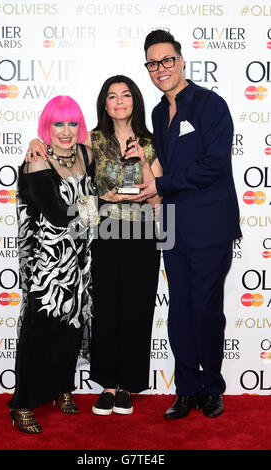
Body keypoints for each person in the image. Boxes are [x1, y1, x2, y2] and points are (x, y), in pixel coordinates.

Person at [25, 75, 163, 416]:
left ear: (135, 101)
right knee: (104, 311)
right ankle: (108, 386)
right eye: (112, 96)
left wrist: (143, 163)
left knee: (137, 310)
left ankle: (128, 385)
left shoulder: (150, 141)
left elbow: (158, 198)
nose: (119, 101)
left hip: (141, 235)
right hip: (101, 235)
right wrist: (35, 141)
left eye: (126, 95)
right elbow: (67, 161)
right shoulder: (92, 141)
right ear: (104, 103)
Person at [128, 29, 242, 419]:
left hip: (209, 225)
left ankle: (212, 386)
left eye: (167, 60)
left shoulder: (211, 105)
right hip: (172, 224)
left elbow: (214, 165)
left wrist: (161, 184)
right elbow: (152, 160)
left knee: (207, 309)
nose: (160, 69)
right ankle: (186, 389)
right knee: (179, 310)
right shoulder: (159, 113)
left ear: (180, 60)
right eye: (152, 63)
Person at [8, 95, 95, 433]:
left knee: (71, 329)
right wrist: (98, 203)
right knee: (39, 333)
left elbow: (89, 216)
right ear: (47, 126)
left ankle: (62, 387)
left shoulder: (85, 154)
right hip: (47, 268)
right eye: (58, 123)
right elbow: (58, 215)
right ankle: (22, 403)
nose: (66, 130)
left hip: (79, 262)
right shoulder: (36, 161)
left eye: (72, 123)